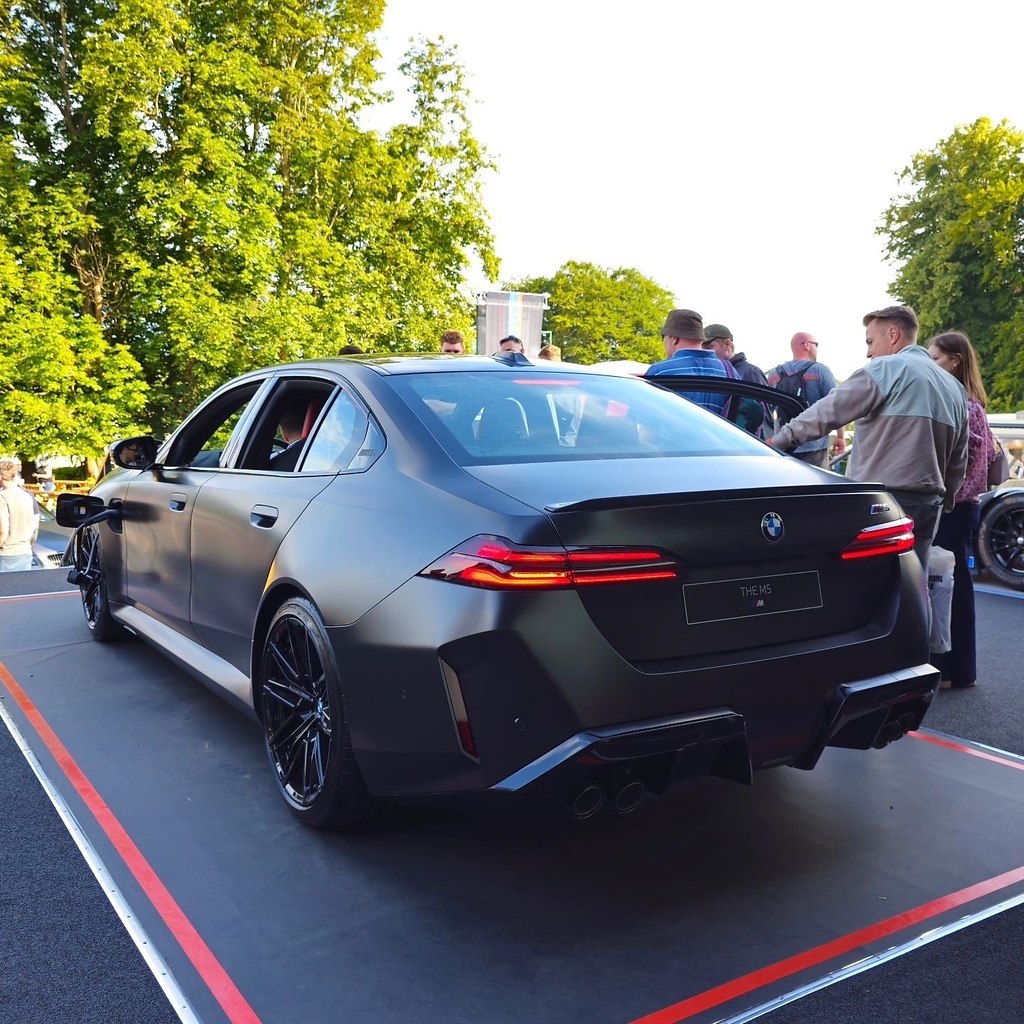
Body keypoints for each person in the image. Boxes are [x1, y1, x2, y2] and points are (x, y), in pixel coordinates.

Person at [771, 305, 969, 570]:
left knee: (871, 589)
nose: (868, 352)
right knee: (915, 590)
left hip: (882, 502)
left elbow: (827, 411)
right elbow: (958, 460)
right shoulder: (954, 388)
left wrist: (778, 441)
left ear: (893, 334)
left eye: (870, 341)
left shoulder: (887, 369)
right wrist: (946, 500)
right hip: (928, 504)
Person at [927, 331, 999, 690]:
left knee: (943, 587)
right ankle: (960, 670)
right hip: (966, 506)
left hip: (953, 506)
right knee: (957, 587)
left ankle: (946, 668)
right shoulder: (974, 403)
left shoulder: (961, 405)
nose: (931, 365)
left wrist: (943, 494)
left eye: (936, 358)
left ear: (955, 360)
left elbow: (965, 461)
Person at [767, 333, 846, 467]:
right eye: (816, 345)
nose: (817, 349)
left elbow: (769, 408)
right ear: (807, 345)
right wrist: (840, 437)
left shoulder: (774, 374)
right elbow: (837, 405)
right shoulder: (820, 370)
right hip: (814, 446)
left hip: (783, 445)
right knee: (816, 485)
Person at [645, 309, 738, 418]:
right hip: (719, 435)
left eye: (663, 338)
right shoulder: (730, 371)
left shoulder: (659, 371)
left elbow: (643, 415)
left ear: (674, 338)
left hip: (672, 435)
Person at [703, 324, 768, 434]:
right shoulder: (710, 372)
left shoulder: (750, 372)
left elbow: (762, 417)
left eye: (709, 348)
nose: (705, 353)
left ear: (727, 344)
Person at [0, 457, 40, 572]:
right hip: (25, 551)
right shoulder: (27, 495)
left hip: (6, 554)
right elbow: (34, 527)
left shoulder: (2, 497)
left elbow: (3, 530)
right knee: (21, 588)